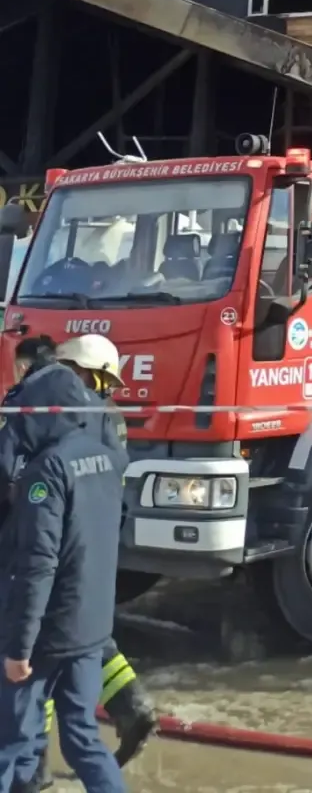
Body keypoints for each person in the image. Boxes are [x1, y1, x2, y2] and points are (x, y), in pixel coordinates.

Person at [0, 338, 155, 793]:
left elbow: (37, 561)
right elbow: (111, 527)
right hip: (90, 615)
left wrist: (18, 648)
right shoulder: (109, 442)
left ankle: (35, 772)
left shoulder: (43, 462)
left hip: (43, 615)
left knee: (14, 739)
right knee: (82, 737)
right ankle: (129, 702)